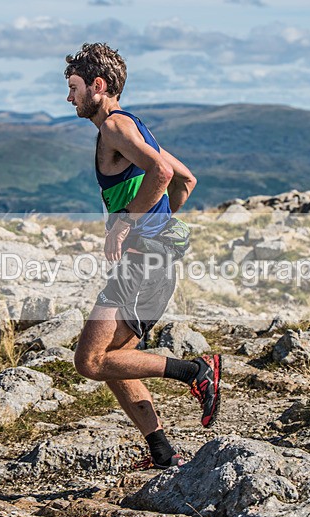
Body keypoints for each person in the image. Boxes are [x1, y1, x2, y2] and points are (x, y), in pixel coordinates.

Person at [65, 42, 222, 469]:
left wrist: (126, 224)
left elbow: (164, 173)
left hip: (141, 266)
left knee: (90, 361)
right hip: (153, 262)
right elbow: (186, 180)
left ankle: (195, 371)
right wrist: (156, 226)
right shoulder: (133, 126)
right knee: (117, 360)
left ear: (98, 85)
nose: (69, 97)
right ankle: (162, 452)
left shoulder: (114, 127)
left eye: (74, 87)